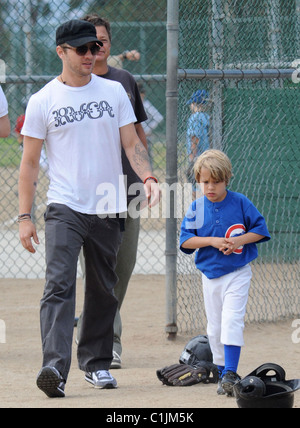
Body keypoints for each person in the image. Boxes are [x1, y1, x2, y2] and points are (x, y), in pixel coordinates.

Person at [18, 19, 159, 398]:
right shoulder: (42, 101)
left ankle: (96, 364)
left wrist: (147, 177)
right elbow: (29, 164)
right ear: (61, 51)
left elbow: (131, 143)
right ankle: (54, 366)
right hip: (64, 205)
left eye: (95, 47)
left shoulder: (113, 92)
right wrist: (25, 217)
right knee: (58, 284)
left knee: (103, 287)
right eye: (82, 49)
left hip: (109, 204)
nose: (90, 54)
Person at [75, 14, 148, 370]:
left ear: (109, 43)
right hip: (90, 192)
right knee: (97, 270)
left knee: (124, 265)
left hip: (127, 187)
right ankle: (108, 340)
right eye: (89, 41)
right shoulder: (74, 83)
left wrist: (146, 175)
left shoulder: (124, 81)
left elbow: (137, 134)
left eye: (101, 39)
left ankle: (95, 325)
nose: (96, 47)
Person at [179, 149, 270, 397]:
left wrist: (240, 241)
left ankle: (231, 371)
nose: (210, 187)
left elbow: (260, 230)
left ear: (227, 179)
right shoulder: (196, 208)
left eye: (216, 181)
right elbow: (186, 241)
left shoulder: (240, 202)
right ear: (198, 180)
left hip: (238, 272)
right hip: (210, 276)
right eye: (205, 181)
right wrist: (211, 241)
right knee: (214, 329)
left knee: (231, 320)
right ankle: (223, 376)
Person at [186, 89, 210, 191]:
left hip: (198, 158)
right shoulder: (207, 117)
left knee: (196, 189)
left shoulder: (195, 117)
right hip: (208, 156)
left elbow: (194, 138)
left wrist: (192, 159)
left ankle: (197, 207)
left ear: (194, 103)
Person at [138, 83, 164, 166]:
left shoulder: (146, 105)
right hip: (135, 135)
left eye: (141, 96)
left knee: (147, 158)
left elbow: (158, 117)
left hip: (145, 135)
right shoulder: (132, 105)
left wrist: (148, 129)